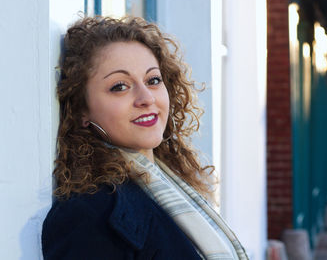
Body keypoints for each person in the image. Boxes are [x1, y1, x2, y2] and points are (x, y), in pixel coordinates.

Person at [41, 16, 248, 260]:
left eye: (153, 80)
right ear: (81, 110)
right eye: (120, 86)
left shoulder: (173, 189)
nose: (146, 97)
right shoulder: (87, 214)